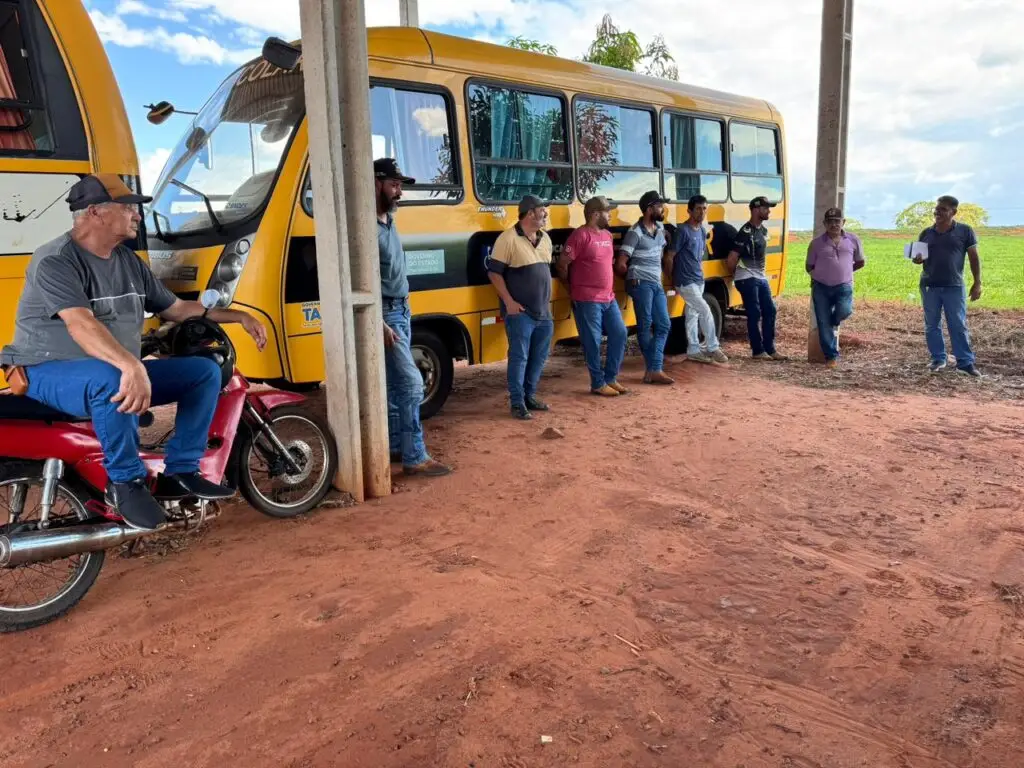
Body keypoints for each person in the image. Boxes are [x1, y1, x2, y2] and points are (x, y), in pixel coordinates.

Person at [0, 174, 269, 531]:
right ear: (95, 212)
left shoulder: (128, 263)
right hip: (44, 370)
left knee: (202, 372)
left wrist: (238, 315)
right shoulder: (56, 260)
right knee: (114, 379)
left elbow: (174, 309)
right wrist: (131, 365)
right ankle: (125, 483)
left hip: (108, 370)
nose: (137, 215)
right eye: (128, 208)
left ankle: (181, 472)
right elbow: (80, 324)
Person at [375, 158, 453, 475]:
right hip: (384, 312)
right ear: (376, 183)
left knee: (397, 385)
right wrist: (377, 323)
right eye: (394, 185)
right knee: (410, 384)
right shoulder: (365, 227)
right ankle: (415, 456)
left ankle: (398, 446)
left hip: (400, 308)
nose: (399, 193)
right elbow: (357, 280)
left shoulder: (386, 220)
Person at [487, 195, 555, 420]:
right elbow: (494, 272)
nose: (545, 214)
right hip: (520, 313)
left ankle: (529, 396)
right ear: (529, 213)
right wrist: (509, 302)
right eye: (542, 210)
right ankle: (517, 402)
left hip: (543, 313)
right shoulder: (507, 238)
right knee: (519, 357)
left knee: (538, 357)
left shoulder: (545, 238)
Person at [558, 196, 628, 397]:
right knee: (592, 341)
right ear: (595, 214)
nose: (610, 215)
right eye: (607, 212)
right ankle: (597, 383)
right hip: (587, 299)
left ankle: (610, 378)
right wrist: (572, 290)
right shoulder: (580, 236)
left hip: (608, 298)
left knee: (620, 333)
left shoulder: (607, 235)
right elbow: (562, 264)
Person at [914, 195, 982, 377]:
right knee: (932, 324)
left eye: (943, 209)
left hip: (954, 285)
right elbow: (917, 259)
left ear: (954, 212)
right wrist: (917, 259)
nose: (938, 212)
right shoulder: (926, 233)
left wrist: (977, 282)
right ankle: (938, 358)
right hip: (929, 286)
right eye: (937, 209)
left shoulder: (965, 231)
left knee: (958, 324)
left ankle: (965, 362)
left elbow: (974, 257)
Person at [617, 191, 673, 385]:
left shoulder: (660, 228)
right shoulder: (635, 232)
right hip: (640, 283)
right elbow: (621, 263)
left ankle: (653, 369)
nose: (662, 209)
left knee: (664, 324)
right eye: (659, 206)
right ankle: (655, 369)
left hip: (656, 283)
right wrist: (633, 276)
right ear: (649, 209)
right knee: (645, 325)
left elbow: (663, 253)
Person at [665, 194, 728, 365]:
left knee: (692, 315)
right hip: (685, 281)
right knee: (705, 310)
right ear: (689, 211)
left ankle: (693, 349)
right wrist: (673, 280)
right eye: (698, 209)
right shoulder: (682, 231)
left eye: (704, 208)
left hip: (699, 279)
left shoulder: (701, 230)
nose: (702, 212)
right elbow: (670, 256)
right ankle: (713, 347)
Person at [805, 207, 866, 368]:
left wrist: (844, 272)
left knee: (845, 311)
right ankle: (831, 357)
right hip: (821, 288)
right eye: (830, 222)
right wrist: (822, 275)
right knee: (822, 322)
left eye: (837, 221)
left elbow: (860, 262)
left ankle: (830, 322)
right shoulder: (816, 244)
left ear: (843, 222)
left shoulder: (853, 240)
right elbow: (809, 266)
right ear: (825, 224)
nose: (834, 225)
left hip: (844, 286)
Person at [728, 196, 787, 361]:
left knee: (770, 311)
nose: (769, 211)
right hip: (747, 278)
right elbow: (732, 258)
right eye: (766, 208)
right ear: (755, 209)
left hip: (760, 277)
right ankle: (757, 351)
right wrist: (738, 276)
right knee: (754, 313)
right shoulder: (745, 232)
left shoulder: (764, 231)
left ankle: (770, 349)